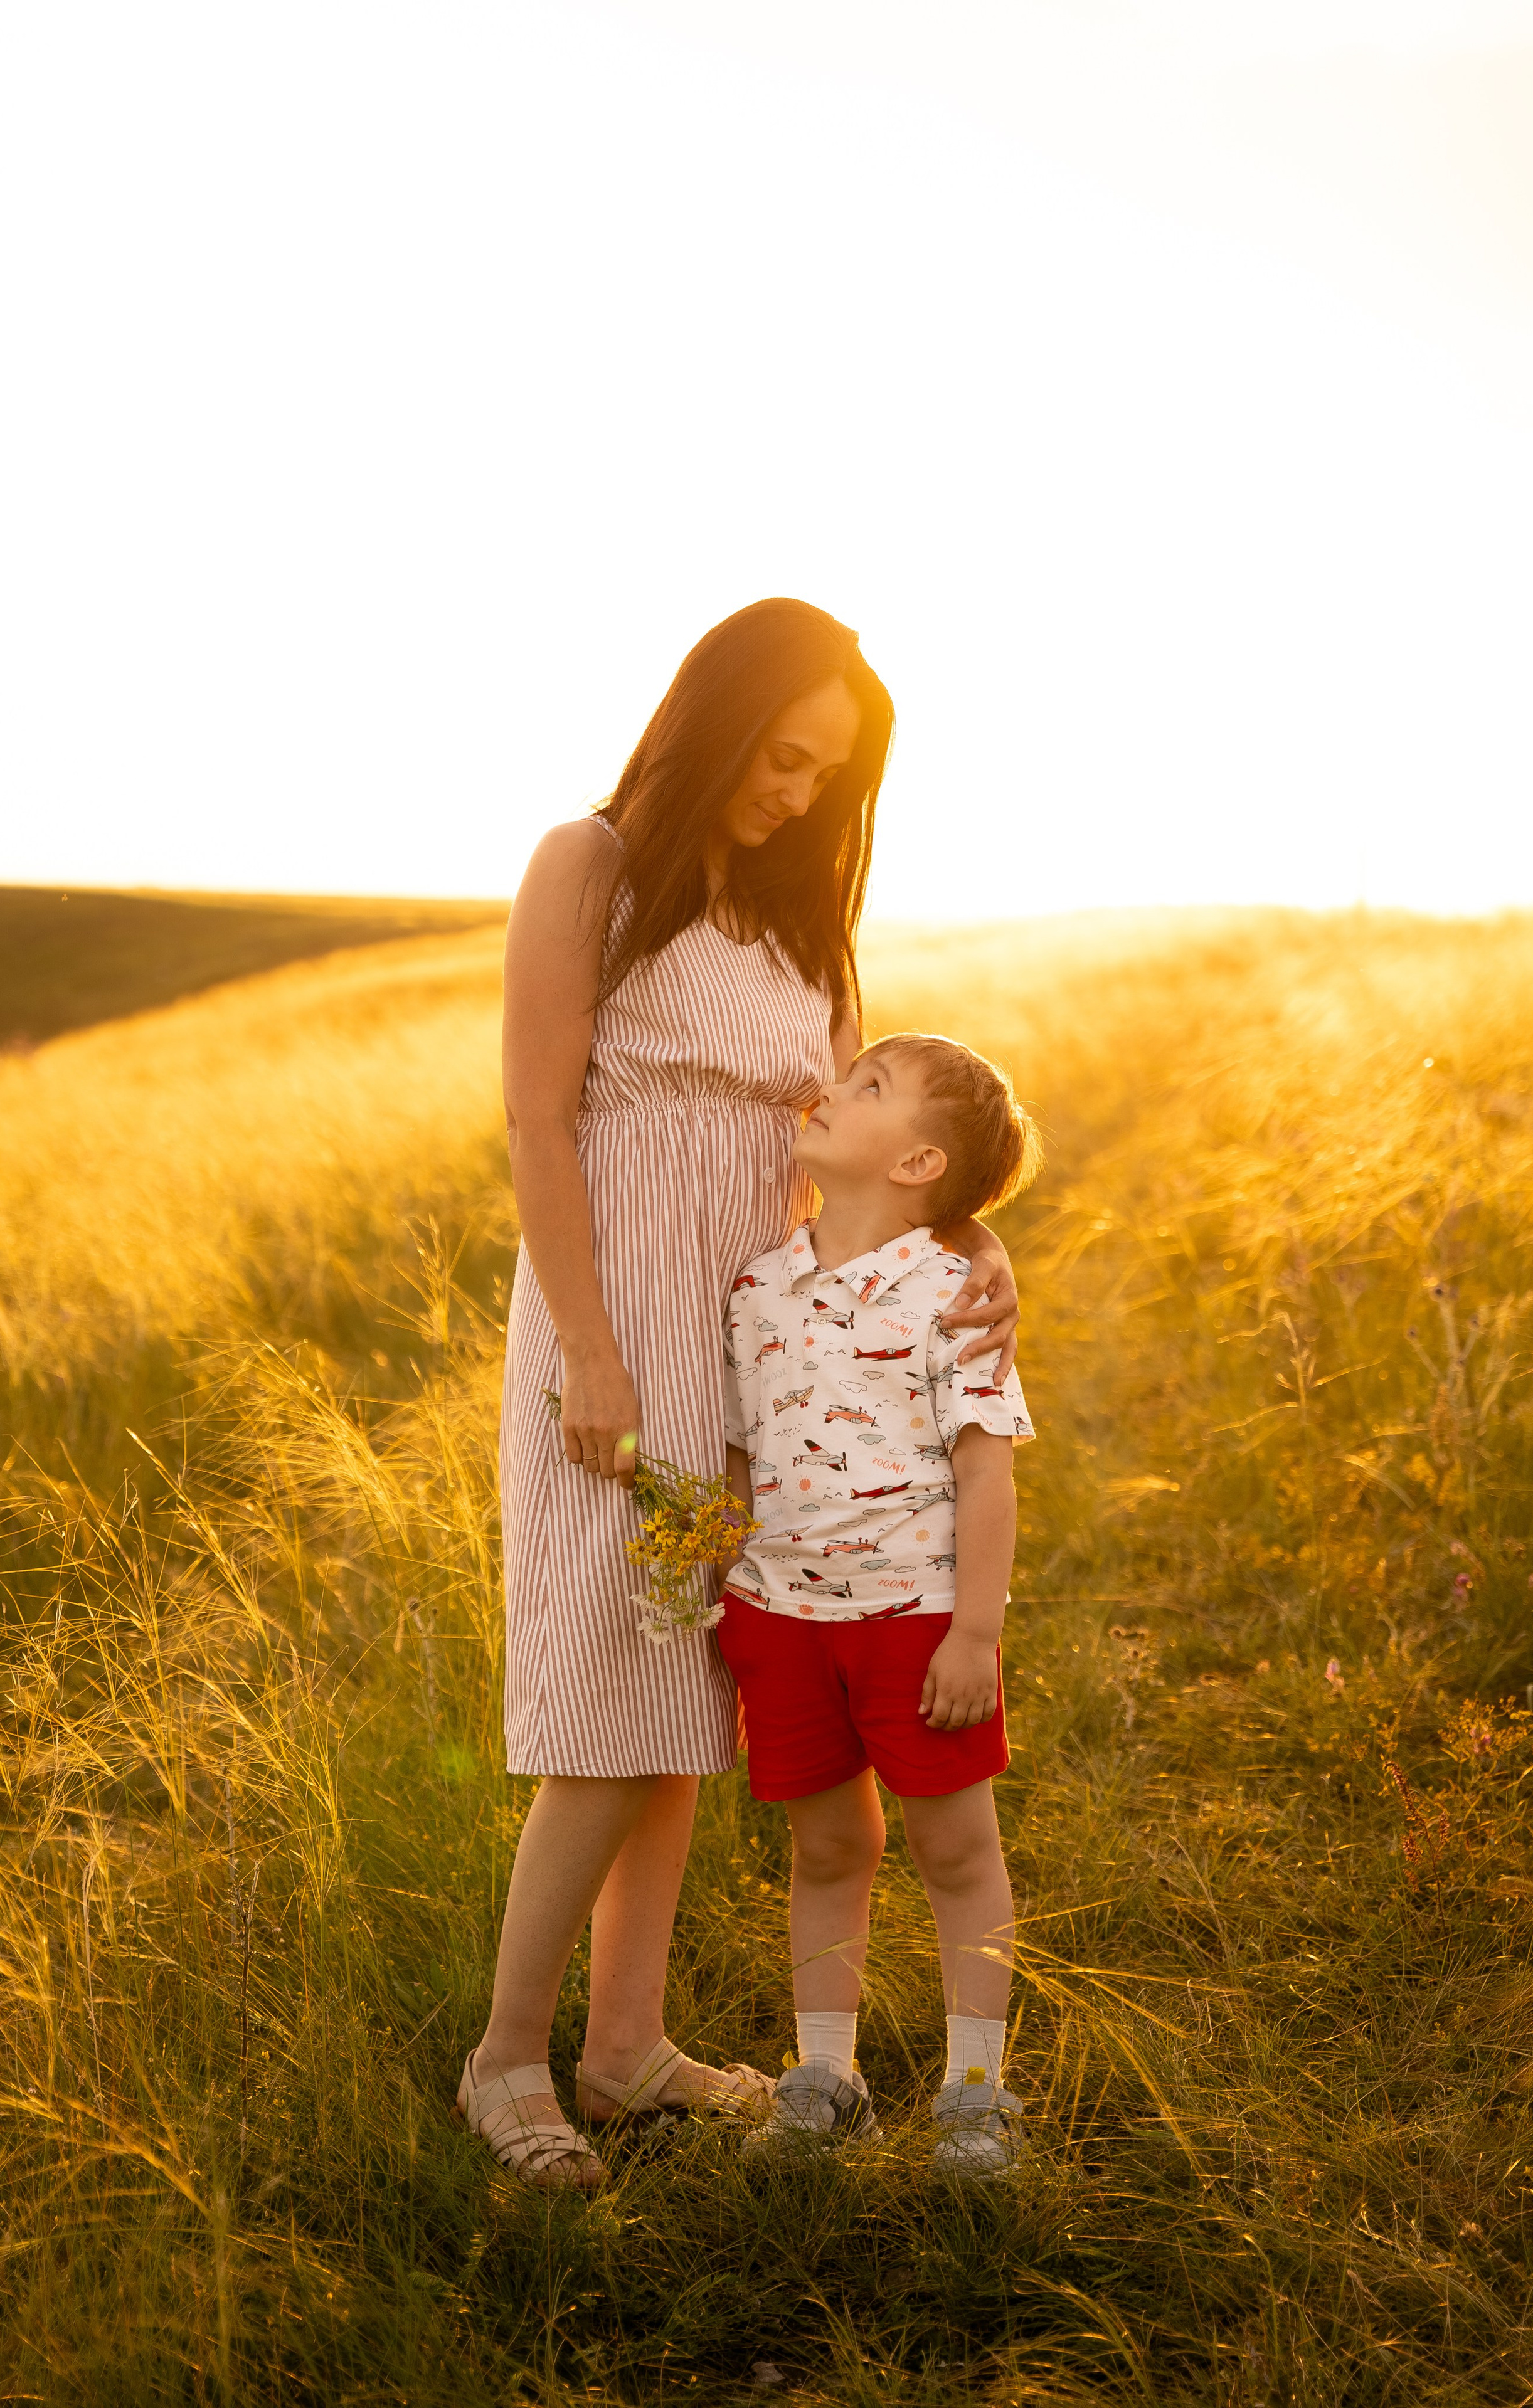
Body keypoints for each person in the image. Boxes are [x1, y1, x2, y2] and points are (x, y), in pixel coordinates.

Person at [455, 600, 1025, 2187]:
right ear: (717, 716)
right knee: (604, 1697)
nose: (792, 794)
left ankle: (626, 2049)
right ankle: (506, 2059)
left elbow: (888, 1141)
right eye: (781, 756)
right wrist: (587, 1345)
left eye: (824, 778)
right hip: (616, 1339)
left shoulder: (794, 928)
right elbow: (536, 1124)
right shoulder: (591, 867)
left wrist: (984, 1250)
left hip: (754, 1353)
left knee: (690, 1703)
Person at [716, 1032, 1038, 2177]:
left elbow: (988, 1467)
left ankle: (976, 2089)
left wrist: (977, 1632)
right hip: (783, 1616)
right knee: (826, 1847)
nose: (830, 1090)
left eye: (870, 1088)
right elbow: (750, 1458)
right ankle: (824, 2076)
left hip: (916, 1619)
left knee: (955, 1851)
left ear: (916, 1164)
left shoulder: (955, 1296)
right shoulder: (757, 1285)